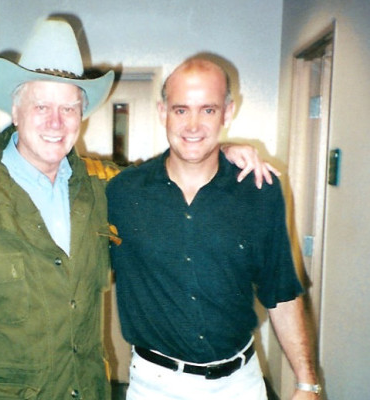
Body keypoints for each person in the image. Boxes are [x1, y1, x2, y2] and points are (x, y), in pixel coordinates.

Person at [0, 18, 275, 400]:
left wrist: (221, 152)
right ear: (15, 112)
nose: (56, 122)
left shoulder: (104, 188)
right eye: (41, 107)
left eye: (69, 108)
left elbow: (168, 180)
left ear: (81, 116)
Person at [107, 56, 321, 399]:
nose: (193, 125)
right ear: (163, 112)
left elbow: (280, 291)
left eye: (207, 110)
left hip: (240, 385)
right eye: (181, 110)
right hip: (155, 387)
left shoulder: (259, 190)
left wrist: (306, 382)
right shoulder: (121, 192)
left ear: (227, 112)